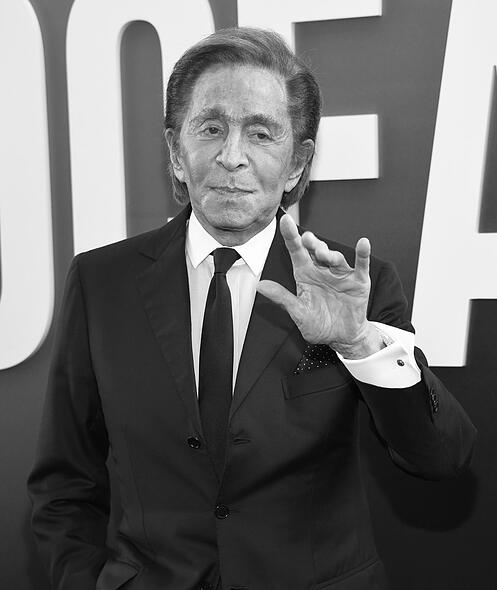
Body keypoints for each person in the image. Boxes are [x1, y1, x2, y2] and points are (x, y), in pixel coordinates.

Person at [28, 27, 476, 590]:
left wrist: (357, 342)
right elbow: (64, 485)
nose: (232, 157)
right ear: (176, 152)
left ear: (297, 164)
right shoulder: (102, 283)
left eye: (261, 134)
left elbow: (441, 458)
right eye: (210, 128)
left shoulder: (355, 287)